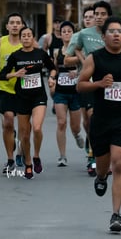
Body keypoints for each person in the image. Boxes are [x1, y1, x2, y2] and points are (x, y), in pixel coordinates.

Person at [76, 16, 121, 232]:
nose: (116, 34)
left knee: (119, 163)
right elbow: (80, 85)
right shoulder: (94, 58)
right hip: (101, 121)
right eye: (112, 31)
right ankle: (100, 176)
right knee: (104, 165)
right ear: (104, 36)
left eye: (119, 31)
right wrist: (98, 83)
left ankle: (116, 215)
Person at [0, 26, 57, 179]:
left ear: (33, 38)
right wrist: (15, 74)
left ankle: (36, 156)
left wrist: (52, 78)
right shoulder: (15, 56)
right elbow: (3, 75)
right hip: (21, 98)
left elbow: (53, 68)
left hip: (38, 96)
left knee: (37, 128)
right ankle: (29, 163)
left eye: (28, 35)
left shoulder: (40, 54)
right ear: (20, 38)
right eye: (23, 35)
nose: (25, 38)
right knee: (25, 135)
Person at [64, 0, 113, 176]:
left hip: (109, 85)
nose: (96, 18)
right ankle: (93, 154)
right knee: (90, 121)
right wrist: (82, 59)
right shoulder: (83, 34)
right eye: (94, 15)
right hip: (89, 83)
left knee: (102, 122)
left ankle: (100, 156)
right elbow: (66, 59)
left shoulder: (113, 32)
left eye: (100, 15)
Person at [0, 12, 25, 174]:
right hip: (5, 87)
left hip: (24, 89)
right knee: (8, 121)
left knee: (25, 127)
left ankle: (22, 153)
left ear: (22, 26)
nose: (15, 25)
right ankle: (10, 160)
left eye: (18, 22)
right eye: (12, 22)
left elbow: (39, 59)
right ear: (7, 26)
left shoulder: (27, 42)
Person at [53, 21, 84, 166]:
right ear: (60, 35)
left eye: (69, 31)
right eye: (63, 31)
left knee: (75, 126)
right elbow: (55, 69)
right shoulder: (56, 52)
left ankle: (77, 134)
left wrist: (76, 72)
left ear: (74, 34)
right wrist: (52, 79)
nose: (66, 33)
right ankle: (62, 156)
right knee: (61, 122)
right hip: (61, 92)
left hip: (76, 92)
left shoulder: (79, 51)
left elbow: (86, 68)